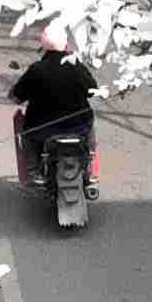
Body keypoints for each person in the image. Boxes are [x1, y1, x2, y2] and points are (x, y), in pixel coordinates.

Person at [10, 37, 98, 195]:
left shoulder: (36, 69)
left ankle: (34, 172)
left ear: (44, 48)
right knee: (90, 123)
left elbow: (17, 97)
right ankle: (89, 163)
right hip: (79, 128)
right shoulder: (76, 66)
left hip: (43, 131)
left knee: (27, 135)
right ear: (65, 46)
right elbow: (92, 91)